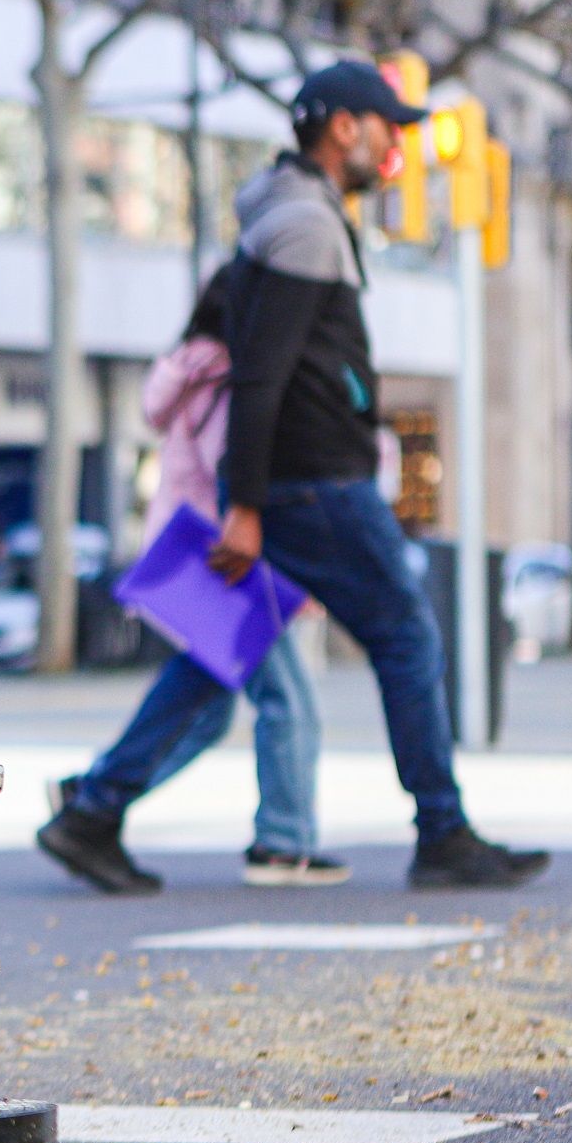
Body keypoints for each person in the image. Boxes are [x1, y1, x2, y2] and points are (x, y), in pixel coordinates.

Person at [37, 59, 549, 894]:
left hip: (296, 482)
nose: (395, 148)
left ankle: (92, 811)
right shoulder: (304, 224)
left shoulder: (289, 214)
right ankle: (444, 831)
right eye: (387, 127)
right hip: (316, 485)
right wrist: (245, 504)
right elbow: (262, 374)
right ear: (344, 125)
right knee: (407, 637)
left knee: (216, 655)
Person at [109, 268, 345, 884]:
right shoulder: (224, 375)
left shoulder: (190, 367)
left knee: (208, 707)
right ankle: (281, 841)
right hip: (224, 558)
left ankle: (92, 796)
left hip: (193, 551)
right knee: (287, 700)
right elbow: (234, 476)